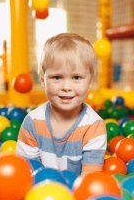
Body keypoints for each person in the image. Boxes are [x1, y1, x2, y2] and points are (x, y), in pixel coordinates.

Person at [15, 33, 107, 175]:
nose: (66, 87)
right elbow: (25, 172)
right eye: (57, 77)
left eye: (76, 77)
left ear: (90, 81)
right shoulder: (32, 122)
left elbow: (90, 180)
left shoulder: (93, 127)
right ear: (43, 81)